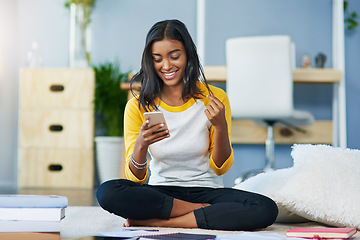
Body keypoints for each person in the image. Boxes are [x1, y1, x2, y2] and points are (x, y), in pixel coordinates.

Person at [96, 19, 278, 231]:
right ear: (150, 61)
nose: (166, 66)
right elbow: (136, 180)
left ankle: (161, 222)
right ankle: (200, 211)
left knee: (266, 208)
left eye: (174, 56)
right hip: (161, 193)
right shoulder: (137, 106)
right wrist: (141, 145)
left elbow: (220, 168)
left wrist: (220, 127)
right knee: (107, 191)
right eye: (158, 59)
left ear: (188, 55)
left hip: (207, 190)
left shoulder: (214, 98)